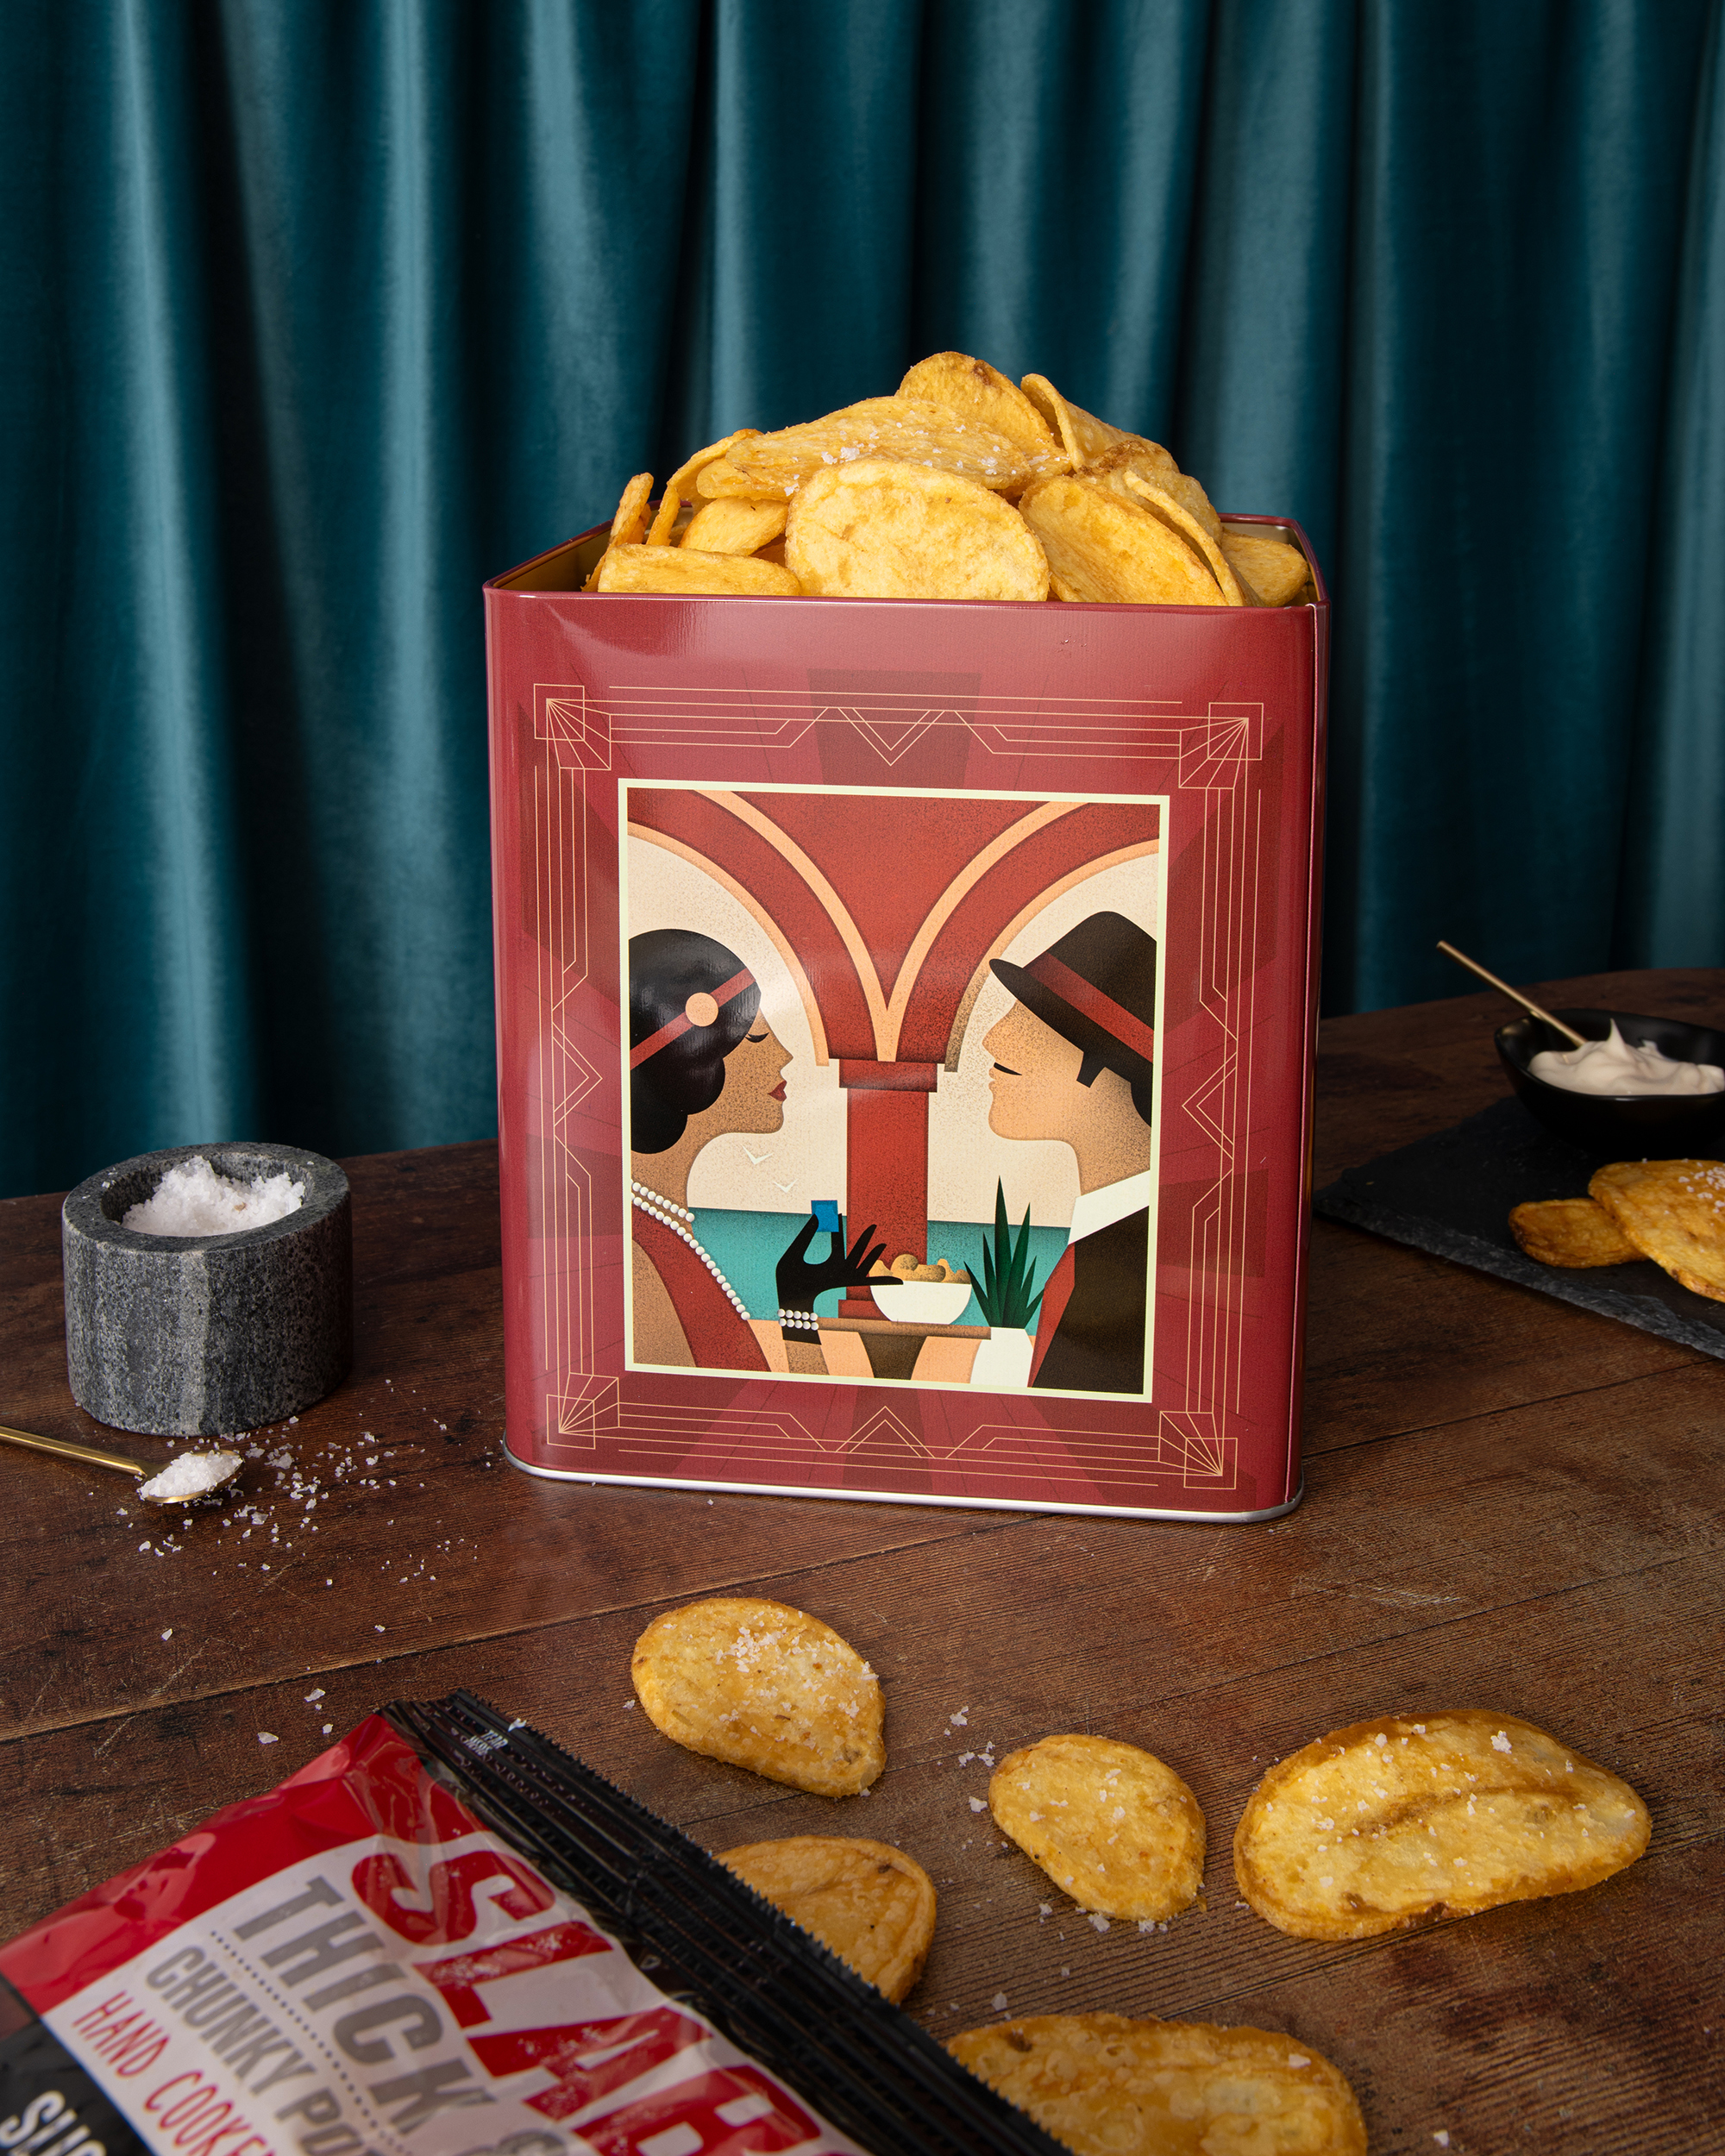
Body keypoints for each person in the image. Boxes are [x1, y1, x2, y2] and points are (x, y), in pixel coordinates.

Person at [628, 930, 884, 1374]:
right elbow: (740, 1426)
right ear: (689, 1057)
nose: (784, 1056)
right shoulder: (639, 1258)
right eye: (758, 1040)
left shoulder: (661, 1230)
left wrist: (797, 1301)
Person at [983, 911, 1157, 1394]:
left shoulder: (1140, 1269)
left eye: (1037, 1018)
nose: (994, 1038)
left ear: (1111, 1066)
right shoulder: (1106, 1245)